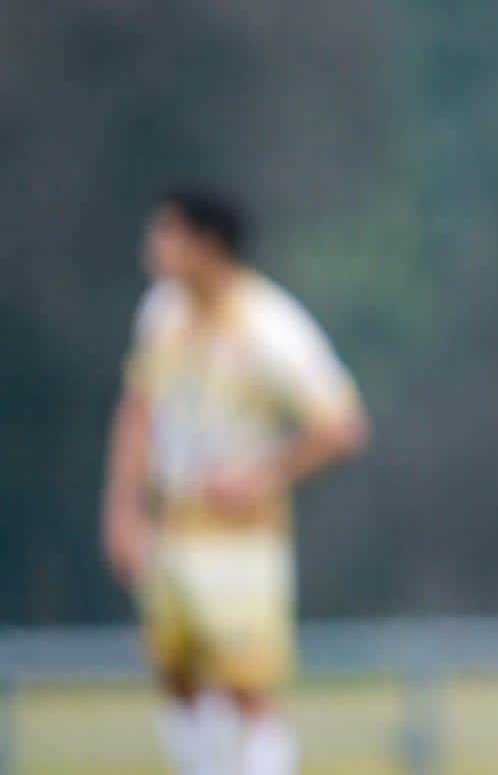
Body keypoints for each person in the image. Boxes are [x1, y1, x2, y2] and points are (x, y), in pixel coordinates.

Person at [100, 189, 369, 775]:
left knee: (248, 688)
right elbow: (138, 407)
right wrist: (122, 510)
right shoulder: (161, 311)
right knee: (177, 676)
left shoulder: (271, 323)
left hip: (239, 536)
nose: (153, 249)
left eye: (168, 235)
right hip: (171, 524)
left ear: (208, 245)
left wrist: (262, 474)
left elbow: (344, 425)